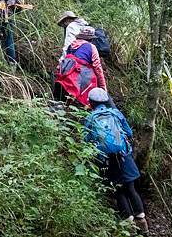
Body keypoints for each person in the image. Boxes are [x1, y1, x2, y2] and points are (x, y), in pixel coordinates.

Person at [83, 88, 148, 234]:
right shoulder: (116, 114)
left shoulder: (90, 119)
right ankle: (142, 222)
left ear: (91, 103)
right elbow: (129, 133)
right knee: (131, 188)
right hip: (124, 157)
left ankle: (129, 225)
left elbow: (86, 140)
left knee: (118, 191)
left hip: (106, 161)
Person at [54, 26, 107, 106]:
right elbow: (98, 68)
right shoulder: (92, 47)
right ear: (91, 39)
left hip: (66, 75)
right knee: (93, 77)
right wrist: (103, 87)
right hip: (81, 77)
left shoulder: (71, 46)